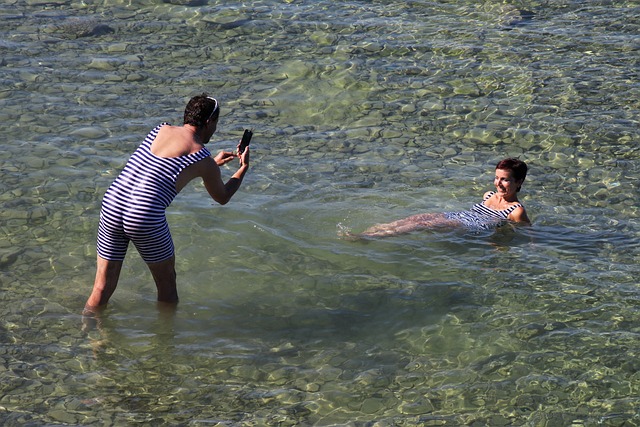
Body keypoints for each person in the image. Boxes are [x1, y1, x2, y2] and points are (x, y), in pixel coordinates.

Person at [84, 94, 249, 312]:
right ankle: (165, 343)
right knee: (167, 285)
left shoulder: (160, 129)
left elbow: (161, 170)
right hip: (144, 214)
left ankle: (88, 336)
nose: (215, 129)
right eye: (216, 123)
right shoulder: (202, 157)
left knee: (102, 286)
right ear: (209, 122)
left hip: (113, 202)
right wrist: (243, 168)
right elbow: (222, 196)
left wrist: (211, 165)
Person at [357, 158, 530, 237]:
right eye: (497, 178)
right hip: (455, 215)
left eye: (505, 180)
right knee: (419, 217)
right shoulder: (488, 195)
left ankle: (368, 237)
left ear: (519, 181)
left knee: (423, 224)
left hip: (466, 225)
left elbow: (528, 231)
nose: (498, 183)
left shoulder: (516, 210)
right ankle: (369, 231)